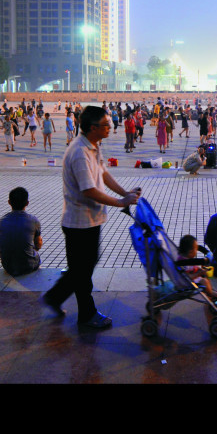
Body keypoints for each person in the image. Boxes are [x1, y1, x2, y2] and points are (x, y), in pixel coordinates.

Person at [42, 106, 140, 329]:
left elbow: (103, 174)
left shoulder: (94, 146)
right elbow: (89, 190)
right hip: (79, 222)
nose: (110, 127)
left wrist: (125, 193)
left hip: (90, 220)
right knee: (83, 272)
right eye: (106, 125)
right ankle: (86, 315)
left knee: (82, 267)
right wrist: (119, 203)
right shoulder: (79, 152)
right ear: (93, 127)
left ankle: (55, 297)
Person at [0, 187, 42, 276]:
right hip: (28, 265)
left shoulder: (0, 221)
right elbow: (38, 243)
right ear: (27, 203)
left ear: (9, 202)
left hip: (7, 265)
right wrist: (34, 249)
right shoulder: (33, 220)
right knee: (36, 256)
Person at [177, 234, 217, 302]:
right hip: (189, 281)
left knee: (206, 271)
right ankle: (210, 293)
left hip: (193, 274)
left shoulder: (184, 257)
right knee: (205, 281)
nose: (197, 250)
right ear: (190, 252)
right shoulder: (184, 263)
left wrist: (200, 270)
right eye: (196, 249)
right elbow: (188, 277)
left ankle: (209, 288)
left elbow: (192, 268)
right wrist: (200, 273)